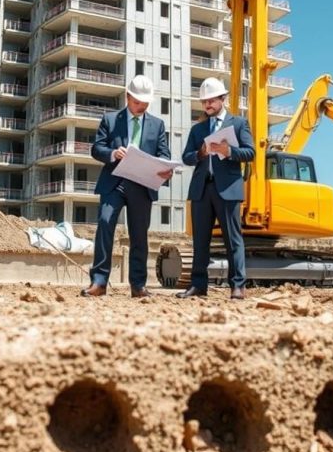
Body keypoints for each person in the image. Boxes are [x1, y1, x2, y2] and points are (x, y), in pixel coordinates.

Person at [81, 75, 171, 298]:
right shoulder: (110, 120)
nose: (141, 106)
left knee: (139, 235)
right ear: (127, 96)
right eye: (137, 101)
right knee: (104, 223)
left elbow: (164, 154)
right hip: (114, 182)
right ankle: (99, 282)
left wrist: (165, 169)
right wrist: (112, 153)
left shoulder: (158, 125)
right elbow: (96, 148)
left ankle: (138, 286)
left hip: (142, 185)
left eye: (145, 103)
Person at [176, 77, 255, 300]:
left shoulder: (239, 124)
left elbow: (250, 153)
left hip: (228, 189)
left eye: (211, 100)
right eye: (204, 102)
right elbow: (186, 158)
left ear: (222, 99)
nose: (207, 105)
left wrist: (228, 151)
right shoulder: (198, 129)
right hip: (202, 189)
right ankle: (198, 286)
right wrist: (200, 154)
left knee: (233, 239)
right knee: (200, 241)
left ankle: (237, 286)